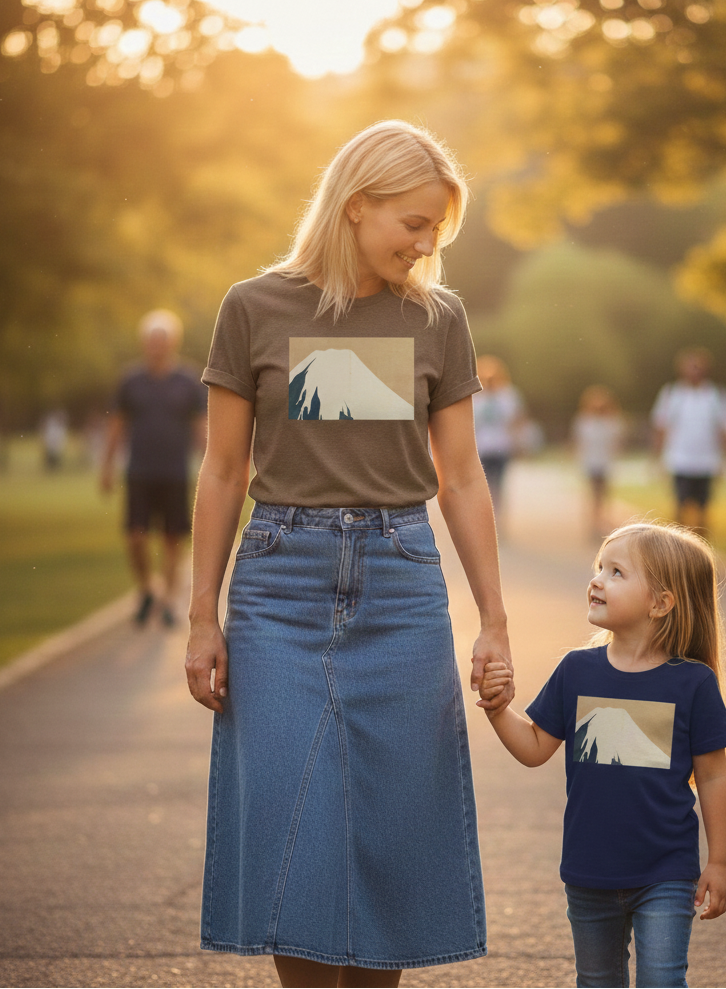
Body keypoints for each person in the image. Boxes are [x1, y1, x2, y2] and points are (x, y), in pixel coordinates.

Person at [184, 120, 514, 989]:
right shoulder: (253, 306)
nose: (424, 243)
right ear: (356, 204)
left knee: (393, 829)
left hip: (401, 583)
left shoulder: (439, 318)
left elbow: (464, 478)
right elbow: (221, 473)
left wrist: (495, 621)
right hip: (279, 588)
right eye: (412, 222)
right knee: (296, 825)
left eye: (436, 230)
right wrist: (199, 618)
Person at [479, 522, 726, 989]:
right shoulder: (576, 670)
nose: (596, 579)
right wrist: (499, 710)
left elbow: (715, 777)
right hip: (588, 869)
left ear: (661, 603)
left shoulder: (693, 683)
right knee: (597, 981)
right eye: (599, 567)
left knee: (662, 980)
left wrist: (718, 862)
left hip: (667, 871)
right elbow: (535, 747)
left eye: (616, 572)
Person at [101, 309, 207, 626]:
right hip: (140, 472)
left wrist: (209, 465)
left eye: (162, 340)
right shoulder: (130, 381)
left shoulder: (188, 381)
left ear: (173, 342)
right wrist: (107, 466)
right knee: (135, 536)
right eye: (151, 340)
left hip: (174, 473)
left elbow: (201, 428)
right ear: (144, 343)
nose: (156, 346)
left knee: (172, 539)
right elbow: (118, 426)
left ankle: (169, 600)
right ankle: (148, 586)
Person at [651, 347, 726, 537]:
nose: (694, 371)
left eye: (698, 367)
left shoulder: (716, 395)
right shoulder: (672, 394)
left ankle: (702, 555)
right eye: (690, 367)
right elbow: (660, 428)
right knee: (680, 508)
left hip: (707, 461)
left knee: (703, 511)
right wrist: (656, 458)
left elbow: (725, 427)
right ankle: (677, 553)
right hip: (680, 460)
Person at [472, 355, 526, 519]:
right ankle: (486, 517)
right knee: (483, 486)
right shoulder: (476, 396)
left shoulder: (508, 395)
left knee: (499, 485)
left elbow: (517, 420)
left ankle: (498, 518)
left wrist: (518, 442)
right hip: (481, 447)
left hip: (502, 446)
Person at [571, 385, 624, 540]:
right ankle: (593, 525)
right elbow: (579, 443)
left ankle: (601, 523)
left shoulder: (612, 422)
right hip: (590, 463)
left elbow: (617, 443)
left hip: (605, 463)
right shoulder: (584, 422)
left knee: (604, 496)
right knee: (594, 495)